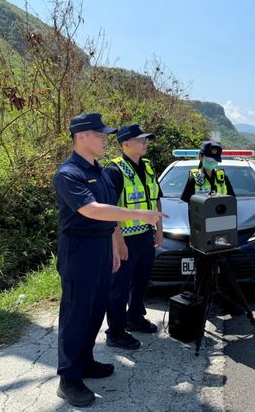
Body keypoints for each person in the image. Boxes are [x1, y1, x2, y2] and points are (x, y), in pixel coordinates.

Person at [53, 113, 164, 408]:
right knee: (76, 312)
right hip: (79, 250)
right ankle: (68, 378)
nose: (105, 139)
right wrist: (141, 215)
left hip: (101, 246)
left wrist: (115, 243)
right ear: (81, 137)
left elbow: (111, 212)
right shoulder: (68, 173)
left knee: (95, 308)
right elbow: (93, 210)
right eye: (99, 134)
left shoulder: (99, 171)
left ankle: (85, 361)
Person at [104, 124, 163, 350]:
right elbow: (109, 208)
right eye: (140, 140)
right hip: (124, 239)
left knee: (141, 282)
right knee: (118, 288)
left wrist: (158, 229)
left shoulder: (148, 167)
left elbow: (156, 200)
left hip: (146, 237)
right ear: (125, 143)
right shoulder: (114, 170)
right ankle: (116, 332)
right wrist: (117, 242)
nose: (145, 143)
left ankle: (135, 318)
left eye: (146, 139)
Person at [180, 140, 235, 289]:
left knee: (225, 269)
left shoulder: (222, 177)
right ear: (201, 157)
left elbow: (231, 200)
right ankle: (201, 303)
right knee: (202, 270)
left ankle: (226, 303)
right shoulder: (194, 177)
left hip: (222, 231)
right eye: (209, 160)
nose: (213, 163)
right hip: (202, 234)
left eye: (216, 161)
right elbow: (188, 201)